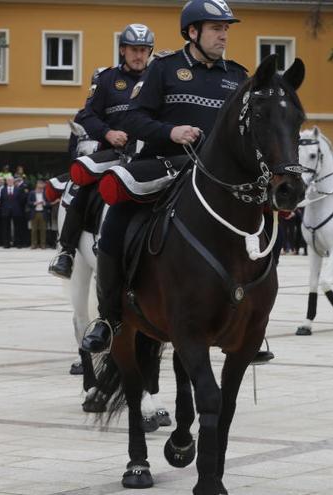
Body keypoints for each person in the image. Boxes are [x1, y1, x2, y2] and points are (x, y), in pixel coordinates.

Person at [81, 0, 249, 353]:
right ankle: (109, 318)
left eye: (226, 28)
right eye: (217, 28)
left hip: (217, 179)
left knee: (263, 230)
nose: (224, 35)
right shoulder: (164, 69)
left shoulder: (237, 76)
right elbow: (133, 119)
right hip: (164, 164)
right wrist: (171, 132)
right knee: (115, 223)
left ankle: (250, 320)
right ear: (192, 31)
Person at [49, 23, 155, 278]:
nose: (139, 55)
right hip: (114, 153)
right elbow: (86, 115)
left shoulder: (157, 79)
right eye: (134, 50)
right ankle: (67, 251)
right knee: (85, 184)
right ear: (122, 50)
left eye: (144, 50)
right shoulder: (107, 79)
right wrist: (108, 133)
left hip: (149, 153)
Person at [28, 180, 50, 249]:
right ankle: (34, 244)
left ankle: (42, 244)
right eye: (39, 184)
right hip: (34, 213)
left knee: (43, 230)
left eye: (42, 184)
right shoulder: (32, 193)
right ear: (36, 185)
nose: (41, 185)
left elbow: (49, 203)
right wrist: (34, 203)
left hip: (43, 213)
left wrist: (44, 203)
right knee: (34, 230)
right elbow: (28, 202)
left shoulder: (45, 193)